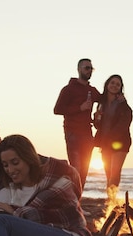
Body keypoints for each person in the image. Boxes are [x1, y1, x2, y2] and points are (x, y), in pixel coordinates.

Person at [54, 59, 102, 189]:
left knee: (84, 171)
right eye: (87, 68)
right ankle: (72, 201)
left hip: (87, 133)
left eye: (91, 68)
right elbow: (57, 110)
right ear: (79, 69)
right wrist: (79, 108)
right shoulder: (68, 89)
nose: (89, 71)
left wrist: (98, 113)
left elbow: (104, 99)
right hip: (72, 132)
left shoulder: (92, 90)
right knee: (76, 169)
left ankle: (76, 202)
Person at [93, 74, 133, 189]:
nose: (114, 86)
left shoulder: (123, 105)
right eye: (112, 83)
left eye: (118, 84)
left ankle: (112, 200)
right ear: (107, 84)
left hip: (120, 143)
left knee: (114, 173)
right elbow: (98, 126)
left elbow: (124, 124)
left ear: (120, 88)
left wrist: (111, 137)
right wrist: (96, 119)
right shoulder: (102, 104)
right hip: (105, 143)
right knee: (108, 174)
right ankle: (111, 201)